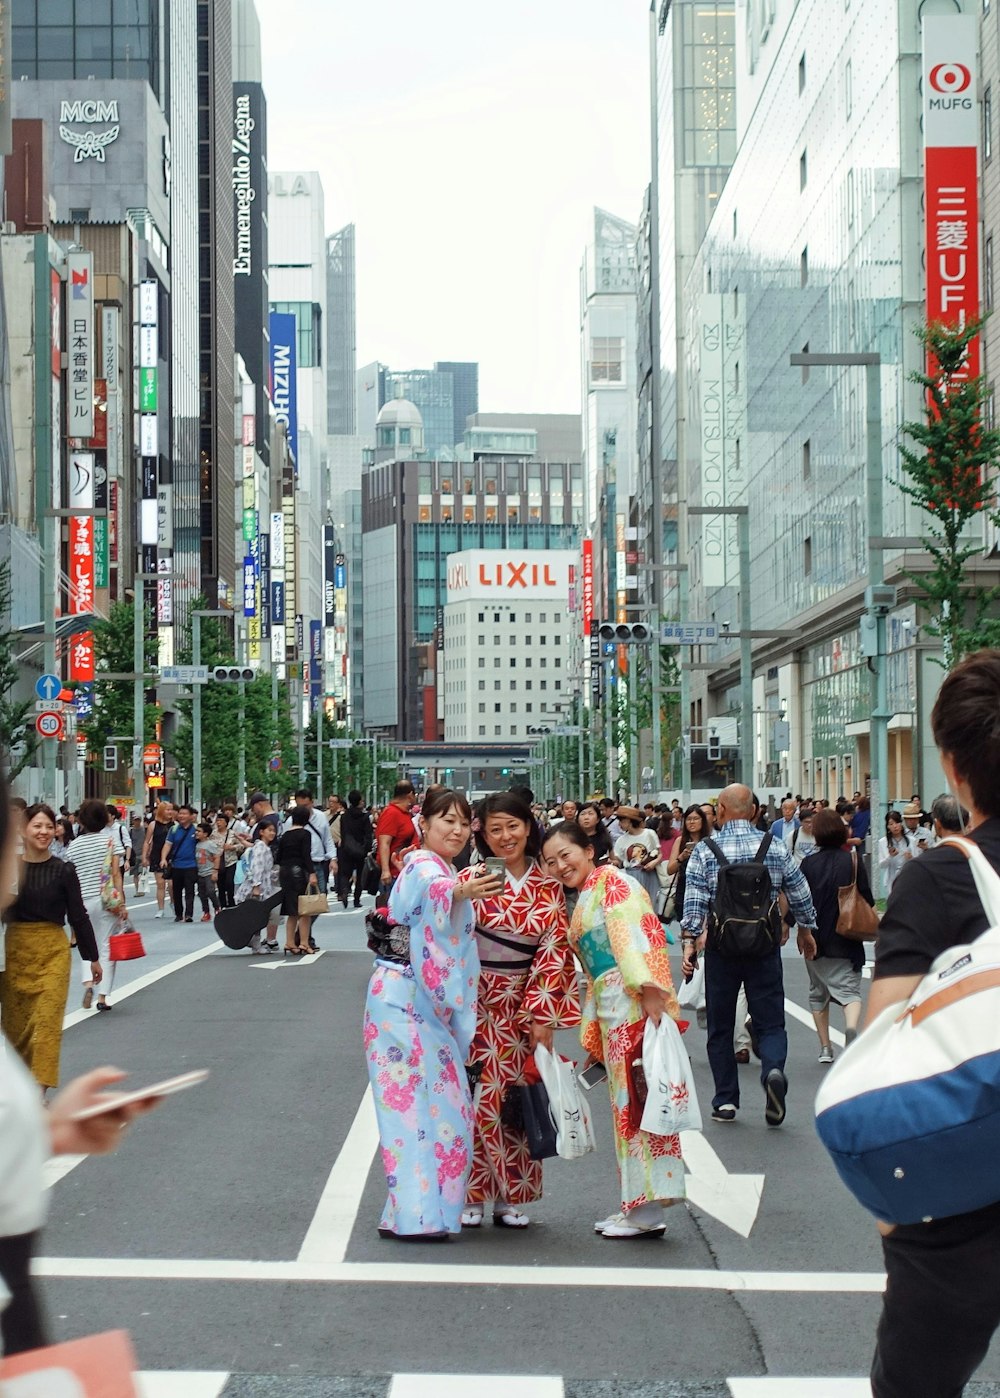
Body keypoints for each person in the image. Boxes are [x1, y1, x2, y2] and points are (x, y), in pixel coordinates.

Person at [864, 650, 1000, 1397]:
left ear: (951, 766)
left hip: (958, 1191)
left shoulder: (939, 876)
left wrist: (894, 1209)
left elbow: (885, 1048)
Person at [542, 821, 686, 1239]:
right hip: (614, 1002)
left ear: (589, 849)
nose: (559, 866)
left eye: (565, 855)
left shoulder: (614, 883)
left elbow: (633, 941)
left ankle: (643, 1211)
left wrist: (651, 995)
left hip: (630, 999)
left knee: (636, 1106)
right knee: (631, 1105)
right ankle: (638, 1205)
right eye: (551, 862)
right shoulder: (593, 889)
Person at [364, 787, 493, 1240]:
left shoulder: (439, 865)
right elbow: (435, 892)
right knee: (418, 1111)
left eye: (464, 822)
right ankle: (417, 1217)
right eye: (447, 821)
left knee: (436, 1108)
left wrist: (457, 888)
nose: (457, 830)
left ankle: (411, 1212)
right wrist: (458, 891)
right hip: (403, 999)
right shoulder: (423, 865)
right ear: (424, 824)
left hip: (416, 1000)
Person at [456, 792, 579, 1230]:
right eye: (495, 829)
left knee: (513, 1102)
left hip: (520, 1008)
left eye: (512, 826)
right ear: (483, 836)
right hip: (472, 1004)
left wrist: (542, 1015)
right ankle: (470, 1191)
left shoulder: (548, 886)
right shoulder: (472, 878)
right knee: (470, 1099)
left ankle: (510, 1194)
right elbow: (450, 940)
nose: (505, 836)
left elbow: (553, 952)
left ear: (528, 827)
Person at [680, 784, 818, 1127]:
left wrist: (689, 942)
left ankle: (725, 1100)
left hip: (721, 949)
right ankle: (772, 1069)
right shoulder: (772, 845)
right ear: (754, 811)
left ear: (721, 812)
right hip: (764, 946)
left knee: (721, 1026)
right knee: (770, 1021)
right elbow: (799, 888)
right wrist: (806, 928)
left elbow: (695, 899)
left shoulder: (706, 850)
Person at [1, 804, 102, 1089]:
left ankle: (39, 1091)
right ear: (23, 830)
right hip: (14, 953)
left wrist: (92, 957)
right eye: (37, 826)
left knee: (46, 1026)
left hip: (53, 952)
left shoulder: (64, 870)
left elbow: (78, 916)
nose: (44, 832)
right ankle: (19, 1091)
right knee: (15, 1029)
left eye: (49, 826)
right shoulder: (9, 869)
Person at [800, 808, 874, 1062]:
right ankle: (851, 1027)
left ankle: (825, 1049)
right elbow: (867, 897)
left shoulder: (808, 863)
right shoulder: (853, 860)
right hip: (847, 936)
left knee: (817, 992)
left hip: (816, 939)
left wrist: (797, 928)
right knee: (850, 992)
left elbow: (801, 901)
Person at [68, 799, 127, 1012]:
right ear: (104, 819)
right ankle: (102, 996)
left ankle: (88, 983)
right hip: (105, 900)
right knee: (106, 947)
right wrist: (121, 900)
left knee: (87, 944)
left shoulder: (73, 846)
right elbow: (115, 873)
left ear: (81, 820)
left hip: (81, 900)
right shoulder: (110, 841)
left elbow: (71, 875)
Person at [236, 815, 281, 953]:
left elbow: (265, 869)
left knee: (259, 916)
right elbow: (257, 867)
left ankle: (255, 943)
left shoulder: (261, 846)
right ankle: (255, 944)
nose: (272, 833)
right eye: (269, 830)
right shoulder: (261, 847)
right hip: (258, 888)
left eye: (274, 830)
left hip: (263, 886)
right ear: (261, 832)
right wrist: (256, 886)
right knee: (258, 916)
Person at [277, 805, 318, 955]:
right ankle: (304, 943)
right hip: (299, 872)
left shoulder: (285, 835)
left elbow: (278, 857)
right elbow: (306, 855)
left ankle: (289, 942)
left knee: (291, 910)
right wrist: (312, 873)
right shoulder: (305, 834)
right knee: (304, 910)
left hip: (285, 873)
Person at [283, 789, 337, 897]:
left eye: (306, 805)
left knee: (320, 896)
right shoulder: (290, 821)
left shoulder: (321, 817)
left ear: (312, 803)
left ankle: (310, 915)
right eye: (299, 806)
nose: (302, 809)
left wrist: (333, 859)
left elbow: (328, 839)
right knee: (302, 899)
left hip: (318, 863)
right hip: (298, 866)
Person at [375, 780, 418, 902]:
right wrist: (385, 870)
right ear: (410, 795)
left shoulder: (404, 813)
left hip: (404, 872)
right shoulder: (391, 813)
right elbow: (384, 843)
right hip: (394, 874)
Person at [612, 806, 662, 907]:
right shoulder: (621, 840)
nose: (619, 824)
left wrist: (653, 863)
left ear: (629, 821)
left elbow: (659, 854)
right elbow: (619, 860)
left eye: (621, 821)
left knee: (650, 905)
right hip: (630, 876)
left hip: (649, 874)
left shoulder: (649, 834)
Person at [161, 804, 198, 923]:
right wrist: (163, 858)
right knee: (176, 891)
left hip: (191, 865)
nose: (181, 816)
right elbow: (167, 845)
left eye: (185, 814)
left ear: (191, 816)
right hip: (177, 865)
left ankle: (188, 914)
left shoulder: (196, 830)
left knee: (189, 891)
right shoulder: (174, 829)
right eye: (180, 813)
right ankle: (178, 914)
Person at [337, 790, 373, 909]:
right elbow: (368, 834)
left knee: (344, 873)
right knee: (360, 875)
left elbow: (343, 832)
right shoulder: (364, 816)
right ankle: (356, 899)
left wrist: (344, 845)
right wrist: (367, 848)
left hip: (347, 848)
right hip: (360, 850)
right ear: (359, 801)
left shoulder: (344, 816)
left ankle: (344, 889)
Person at [142, 801, 174, 918]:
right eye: (167, 810)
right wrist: (144, 856)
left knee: (172, 884)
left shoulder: (174, 825)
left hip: (172, 856)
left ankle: (173, 902)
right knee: (160, 884)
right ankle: (160, 909)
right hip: (156, 855)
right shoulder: (153, 825)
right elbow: (147, 841)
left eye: (171, 809)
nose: (170, 812)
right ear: (161, 811)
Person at [877, 811, 915, 898]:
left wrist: (910, 858)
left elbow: (917, 861)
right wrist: (890, 856)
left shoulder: (911, 840)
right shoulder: (883, 842)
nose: (895, 826)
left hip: (908, 879)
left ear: (901, 824)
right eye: (891, 824)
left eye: (897, 823)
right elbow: (882, 865)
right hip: (891, 879)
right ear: (887, 826)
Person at [194, 821, 221, 922]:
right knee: (201, 893)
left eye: (199, 831)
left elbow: (217, 857)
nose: (196, 833)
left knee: (210, 891)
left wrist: (215, 871)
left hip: (209, 872)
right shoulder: (196, 844)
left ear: (205, 834)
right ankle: (206, 912)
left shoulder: (210, 844)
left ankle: (217, 908)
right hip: (199, 872)